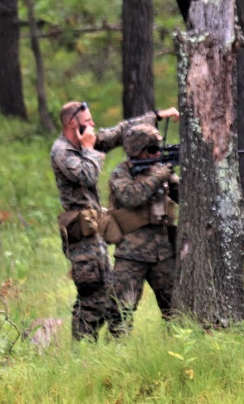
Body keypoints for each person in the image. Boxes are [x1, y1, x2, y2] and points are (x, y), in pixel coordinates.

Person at [51, 100, 179, 339]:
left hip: (94, 223)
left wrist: (156, 115)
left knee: (104, 289)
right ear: (72, 123)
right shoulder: (63, 150)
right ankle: (82, 352)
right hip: (79, 225)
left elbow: (119, 132)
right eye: (88, 122)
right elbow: (87, 176)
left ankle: (90, 347)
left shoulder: (86, 141)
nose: (93, 126)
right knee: (93, 292)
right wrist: (89, 149)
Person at [107, 124, 180, 333]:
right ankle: (116, 354)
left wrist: (173, 179)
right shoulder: (122, 173)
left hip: (162, 252)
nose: (157, 153)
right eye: (151, 149)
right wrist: (159, 176)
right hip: (132, 252)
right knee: (121, 310)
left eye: (158, 149)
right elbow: (131, 197)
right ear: (137, 150)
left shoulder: (160, 172)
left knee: (175, 309)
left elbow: (185, 197)